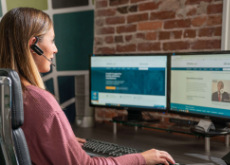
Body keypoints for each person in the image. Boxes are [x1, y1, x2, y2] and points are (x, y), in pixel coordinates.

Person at [0, 7, 175, 165]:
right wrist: (142, 158)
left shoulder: (10, 94)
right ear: (34, 45)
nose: (56, 49)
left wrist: (61, 142)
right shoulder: (39, 101)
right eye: (52, 40)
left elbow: (27, 140)